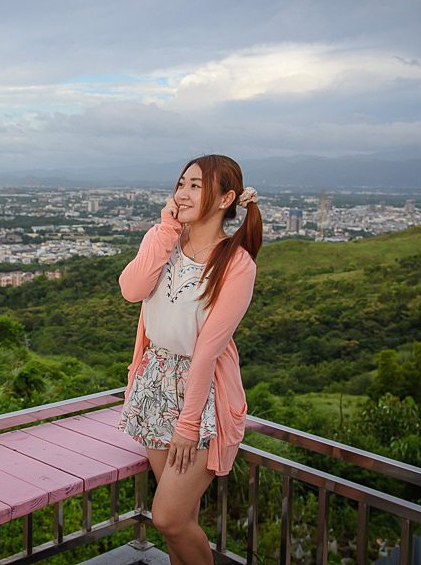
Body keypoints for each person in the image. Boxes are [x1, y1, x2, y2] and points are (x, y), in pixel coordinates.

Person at [117, 154, 262, 565]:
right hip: (154, 380)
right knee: (183, 518)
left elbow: (207, 352)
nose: (182, 192)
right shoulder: (162, 239)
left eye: (196, 185)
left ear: (225, 198)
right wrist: (165, 229)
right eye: (181, 183)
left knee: (168, 518)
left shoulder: (236, 263)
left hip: (202, 396)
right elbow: (131, 289)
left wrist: (188, 423)